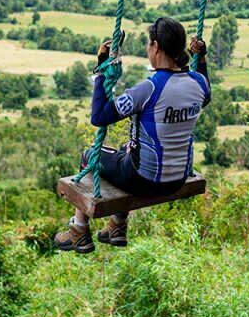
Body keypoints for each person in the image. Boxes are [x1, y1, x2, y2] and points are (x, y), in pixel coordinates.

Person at [55, 17, 211, 253]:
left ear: (156, 47)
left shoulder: (149, 88)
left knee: (90, 156)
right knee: (125, 152)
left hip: (145, 180)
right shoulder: (199, 83)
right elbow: (204, 90)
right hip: (178, 178)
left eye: (149, 45)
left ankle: (79, 231)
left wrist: (102, 68)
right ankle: (116, 227)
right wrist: (202, 58)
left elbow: (99, 116)